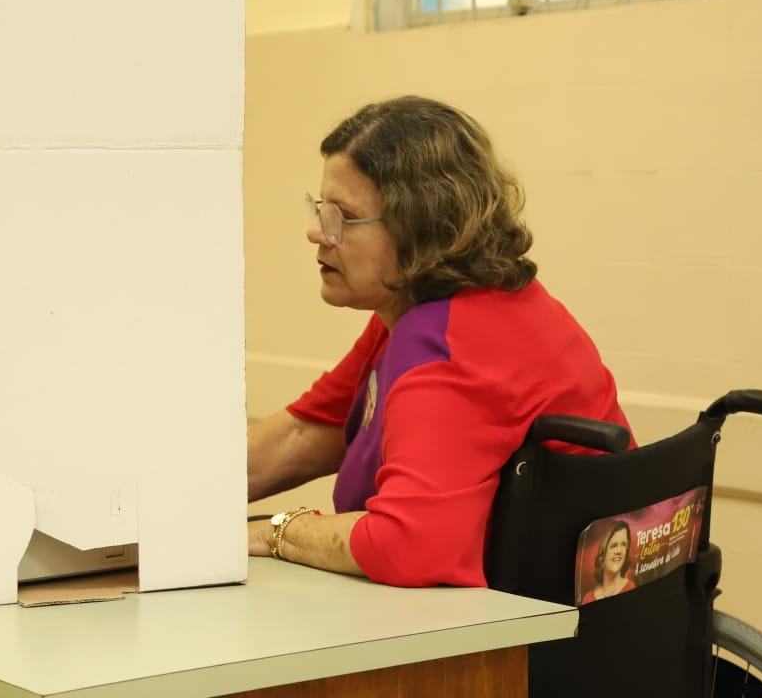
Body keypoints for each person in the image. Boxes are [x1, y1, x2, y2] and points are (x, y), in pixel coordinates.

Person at [246, 96, 632, 587]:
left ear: (420, 226)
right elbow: (306, 433)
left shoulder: (449, 344)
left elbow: (409, 544)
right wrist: (172, 507)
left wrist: (275, 532)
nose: (316, 232)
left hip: (542, 631)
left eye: (342, 216)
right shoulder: (428, 307)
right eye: (320, 209)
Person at [580, 520, 634, 604]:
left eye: (623, 544)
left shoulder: (630, 588)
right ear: (602, 555)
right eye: (614, 546)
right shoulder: (588, 599)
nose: (619, 551)